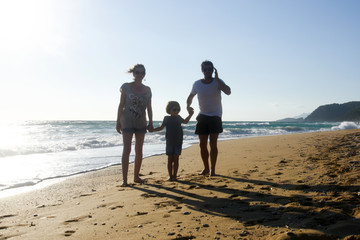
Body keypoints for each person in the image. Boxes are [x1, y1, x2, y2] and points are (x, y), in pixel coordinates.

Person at [186, 60, 231, 176]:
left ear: (213, 70)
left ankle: (213, 170)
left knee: (213, 143)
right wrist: (188, 106)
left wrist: (217, 79)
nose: (207, 71)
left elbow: (228, 91)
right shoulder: (197, 84)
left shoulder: (218, 82)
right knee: (202, 144)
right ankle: (206, 168)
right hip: (202, 116)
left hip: (215, 116)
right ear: (202, 71)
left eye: (209, 69)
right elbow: (190, 97)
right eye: (205, 69)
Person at [116, 64, 153, 186]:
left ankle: (136, 177)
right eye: (137, 72)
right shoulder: (126, 87)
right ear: (133, 74)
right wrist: (118, 121)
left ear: (144, 74)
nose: (140, 75)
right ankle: (124, 180)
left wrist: (151, 122)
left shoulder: (148, 90)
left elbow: (149, 108)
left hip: (141, 122)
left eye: (142, 72)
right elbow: (121, 105)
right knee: (127, 149)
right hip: (126, 121)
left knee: (139, 150)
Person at [151, 101, 194, 181]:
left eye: (178, 109)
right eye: (174, 109)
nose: (176, 111)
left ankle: (175, 176)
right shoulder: (167, 118)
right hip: (169, 142)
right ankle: (170, 176)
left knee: (176, 159)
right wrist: (153, 130)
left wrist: (190, 115)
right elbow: (161, 127)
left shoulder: (178, 117)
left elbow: (185, 121)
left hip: (178, 141)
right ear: (169, 110)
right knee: (170, 159)